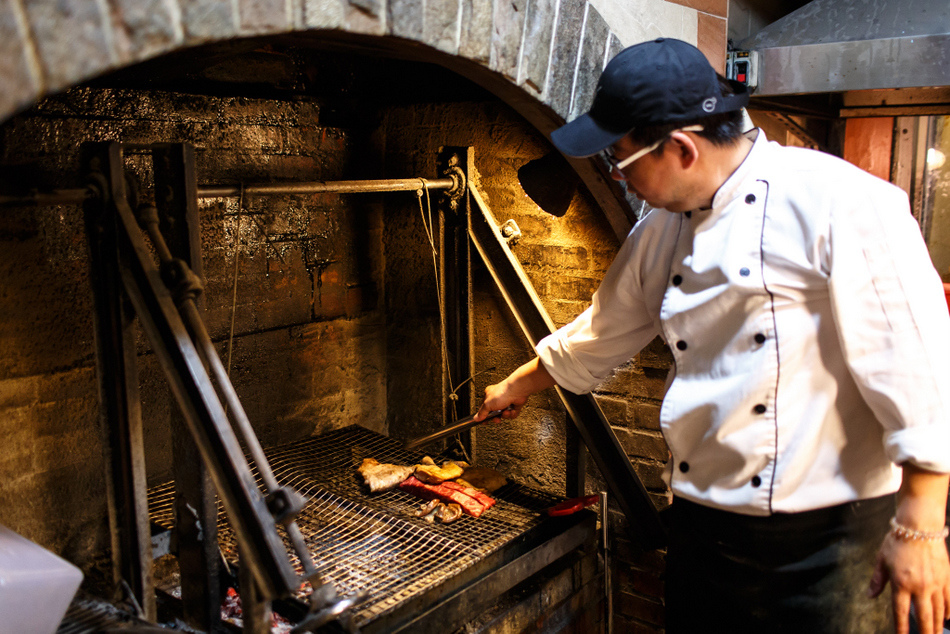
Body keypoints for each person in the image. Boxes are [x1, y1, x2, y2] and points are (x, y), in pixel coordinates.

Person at [473, 38, 950, 633]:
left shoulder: (842, 204)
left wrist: (921, 527)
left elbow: (919, 372)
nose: (618, 177)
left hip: (827, 541)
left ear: (679, 148)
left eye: (619, 160)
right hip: (703, 530)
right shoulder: (663, 231)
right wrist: (518, 383)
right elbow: (603, 331)